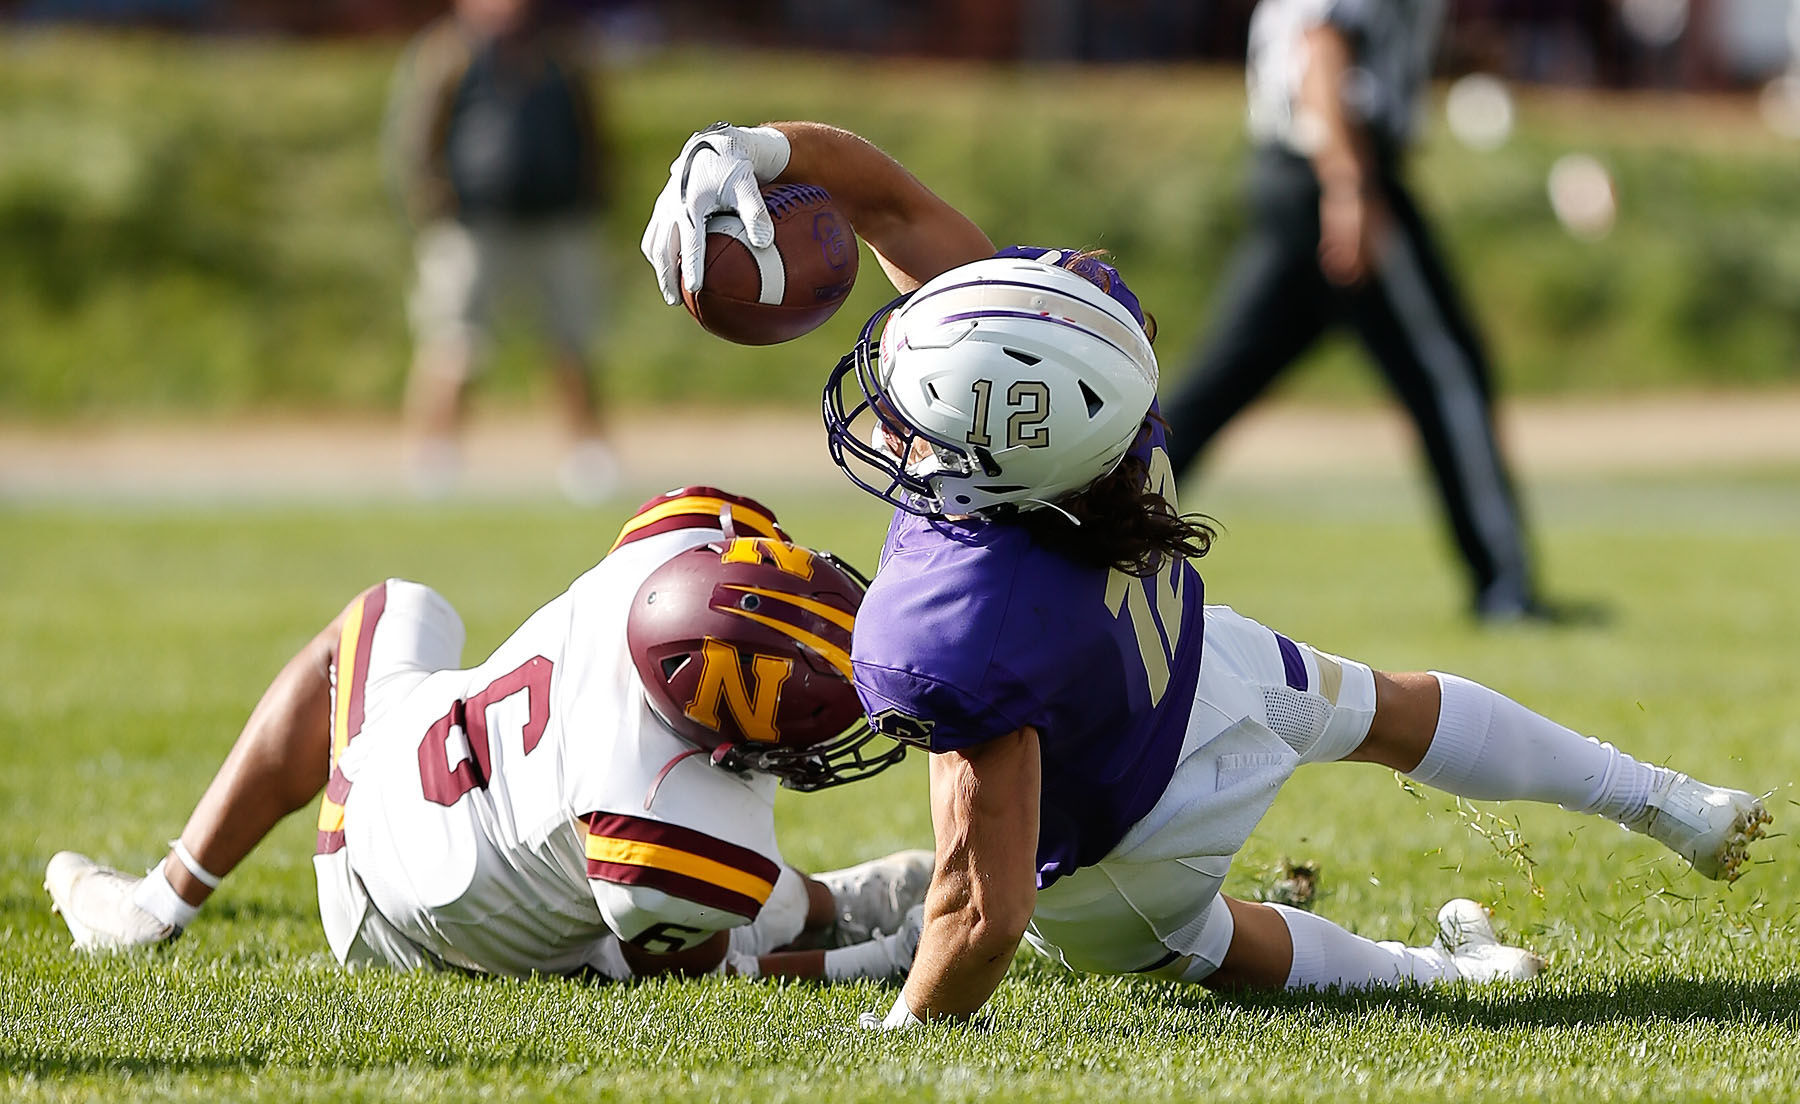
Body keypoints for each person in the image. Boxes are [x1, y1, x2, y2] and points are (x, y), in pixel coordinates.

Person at [639, 121, 1772, 1028]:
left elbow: (982, 912)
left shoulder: (946, 621)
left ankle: (1442, 977)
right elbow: (888, 205)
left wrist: (909, 1040)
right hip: (1205, 666)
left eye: (913, 412)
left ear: (983, 463)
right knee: (1393, 706)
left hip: (1124, 845)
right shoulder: (1091, 386)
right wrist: (759, 152)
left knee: (1207, 942)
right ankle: (1667, 801)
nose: (887, 405)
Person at [46, 485, 929, 984]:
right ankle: (145, 915)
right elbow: (698, 979)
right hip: (391, 912)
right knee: (671, 936)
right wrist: (883, 968)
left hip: (417, 761)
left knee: (395, 608)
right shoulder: (668, 808)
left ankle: (164, 897)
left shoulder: (672, 551)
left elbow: (727, 536)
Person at [1160, 0, 1556, 622]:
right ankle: (1505, 586)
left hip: (1297, 173)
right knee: (1448, 373)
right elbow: (1321, 42)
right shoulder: (1348, 175)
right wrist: (1350, 187)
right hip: (1339, 171)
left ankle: (1082, 529)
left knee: (1217, 386)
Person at [387, 0, 618, 502]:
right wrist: (432, 204)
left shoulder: (562, 53)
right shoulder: (447, 53)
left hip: (557, 219)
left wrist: (593, 194)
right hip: (474, 223)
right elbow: (417, 136)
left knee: (570, 343)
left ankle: (587, 456)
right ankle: (435, 455)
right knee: (453, 342)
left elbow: (592, 130)